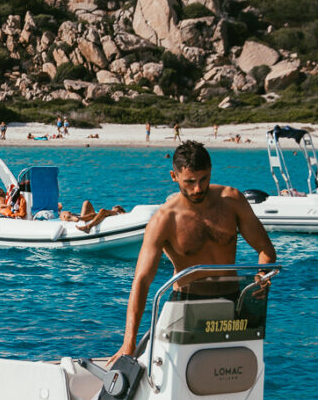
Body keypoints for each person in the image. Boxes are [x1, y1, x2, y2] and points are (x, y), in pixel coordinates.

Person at [110, 141, 275, 363]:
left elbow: (265, 250)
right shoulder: (164, 220)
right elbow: (142, 280)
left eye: (203, 179)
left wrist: (260, 278)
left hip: (233, 304)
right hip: (186, 306)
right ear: (174, 176)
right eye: (189, 182)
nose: (198, 188)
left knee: (234, 371)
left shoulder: (232, 201)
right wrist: (128, 343)